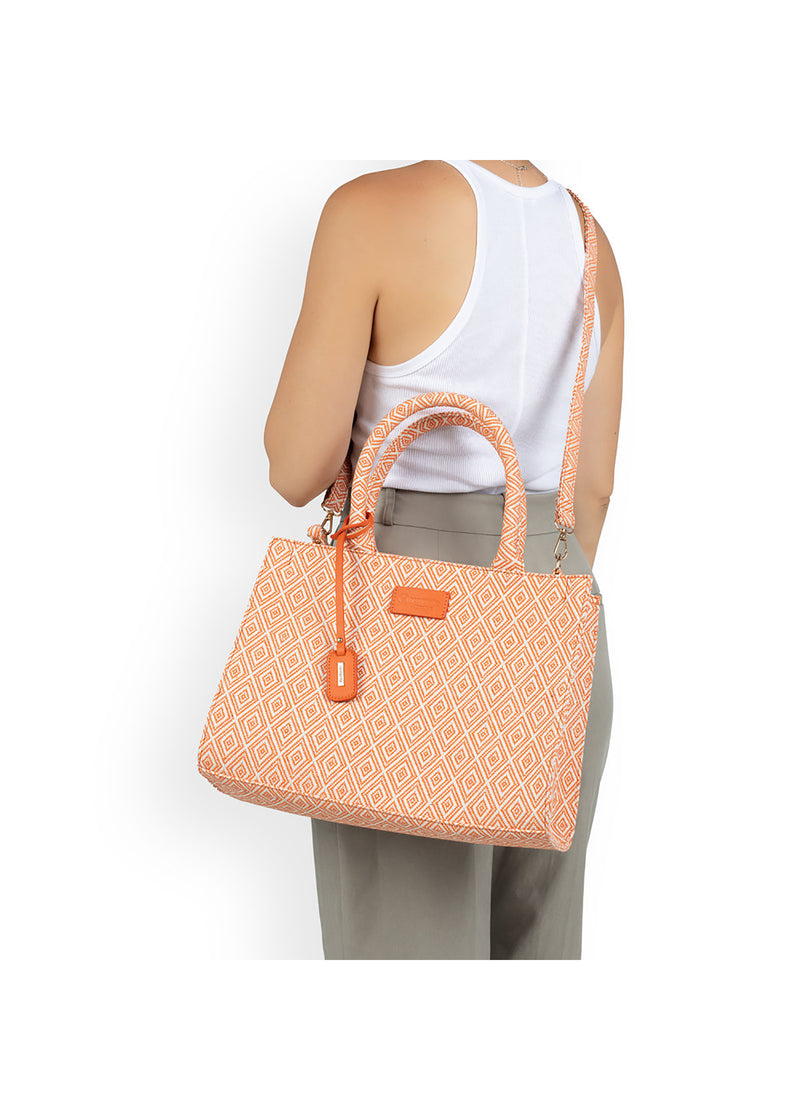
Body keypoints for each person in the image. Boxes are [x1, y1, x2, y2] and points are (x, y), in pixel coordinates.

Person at [264, 159, 623, 959]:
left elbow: (295, 469)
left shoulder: (371, 210)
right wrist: (521, 592)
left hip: (402, 629)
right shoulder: (591, 240)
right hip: (558, 620)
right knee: (538, 953)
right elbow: (591, 490)